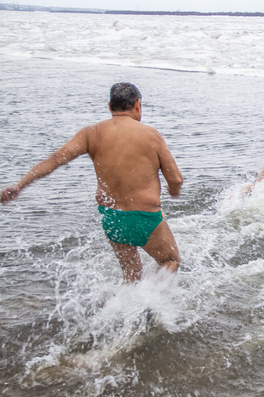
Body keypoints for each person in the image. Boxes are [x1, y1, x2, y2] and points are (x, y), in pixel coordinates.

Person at [1, 83, 183, 283]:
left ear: (109, 106)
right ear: (137, 105)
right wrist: (173, 189)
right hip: (144, 216)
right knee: (170, 260)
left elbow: (55, 160)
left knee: (131, 273)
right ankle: (151, 305)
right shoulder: (151, 134)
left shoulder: (92, 133)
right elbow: (175, 179)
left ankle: (124, 310)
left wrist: (19, 185)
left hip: (112, 217)